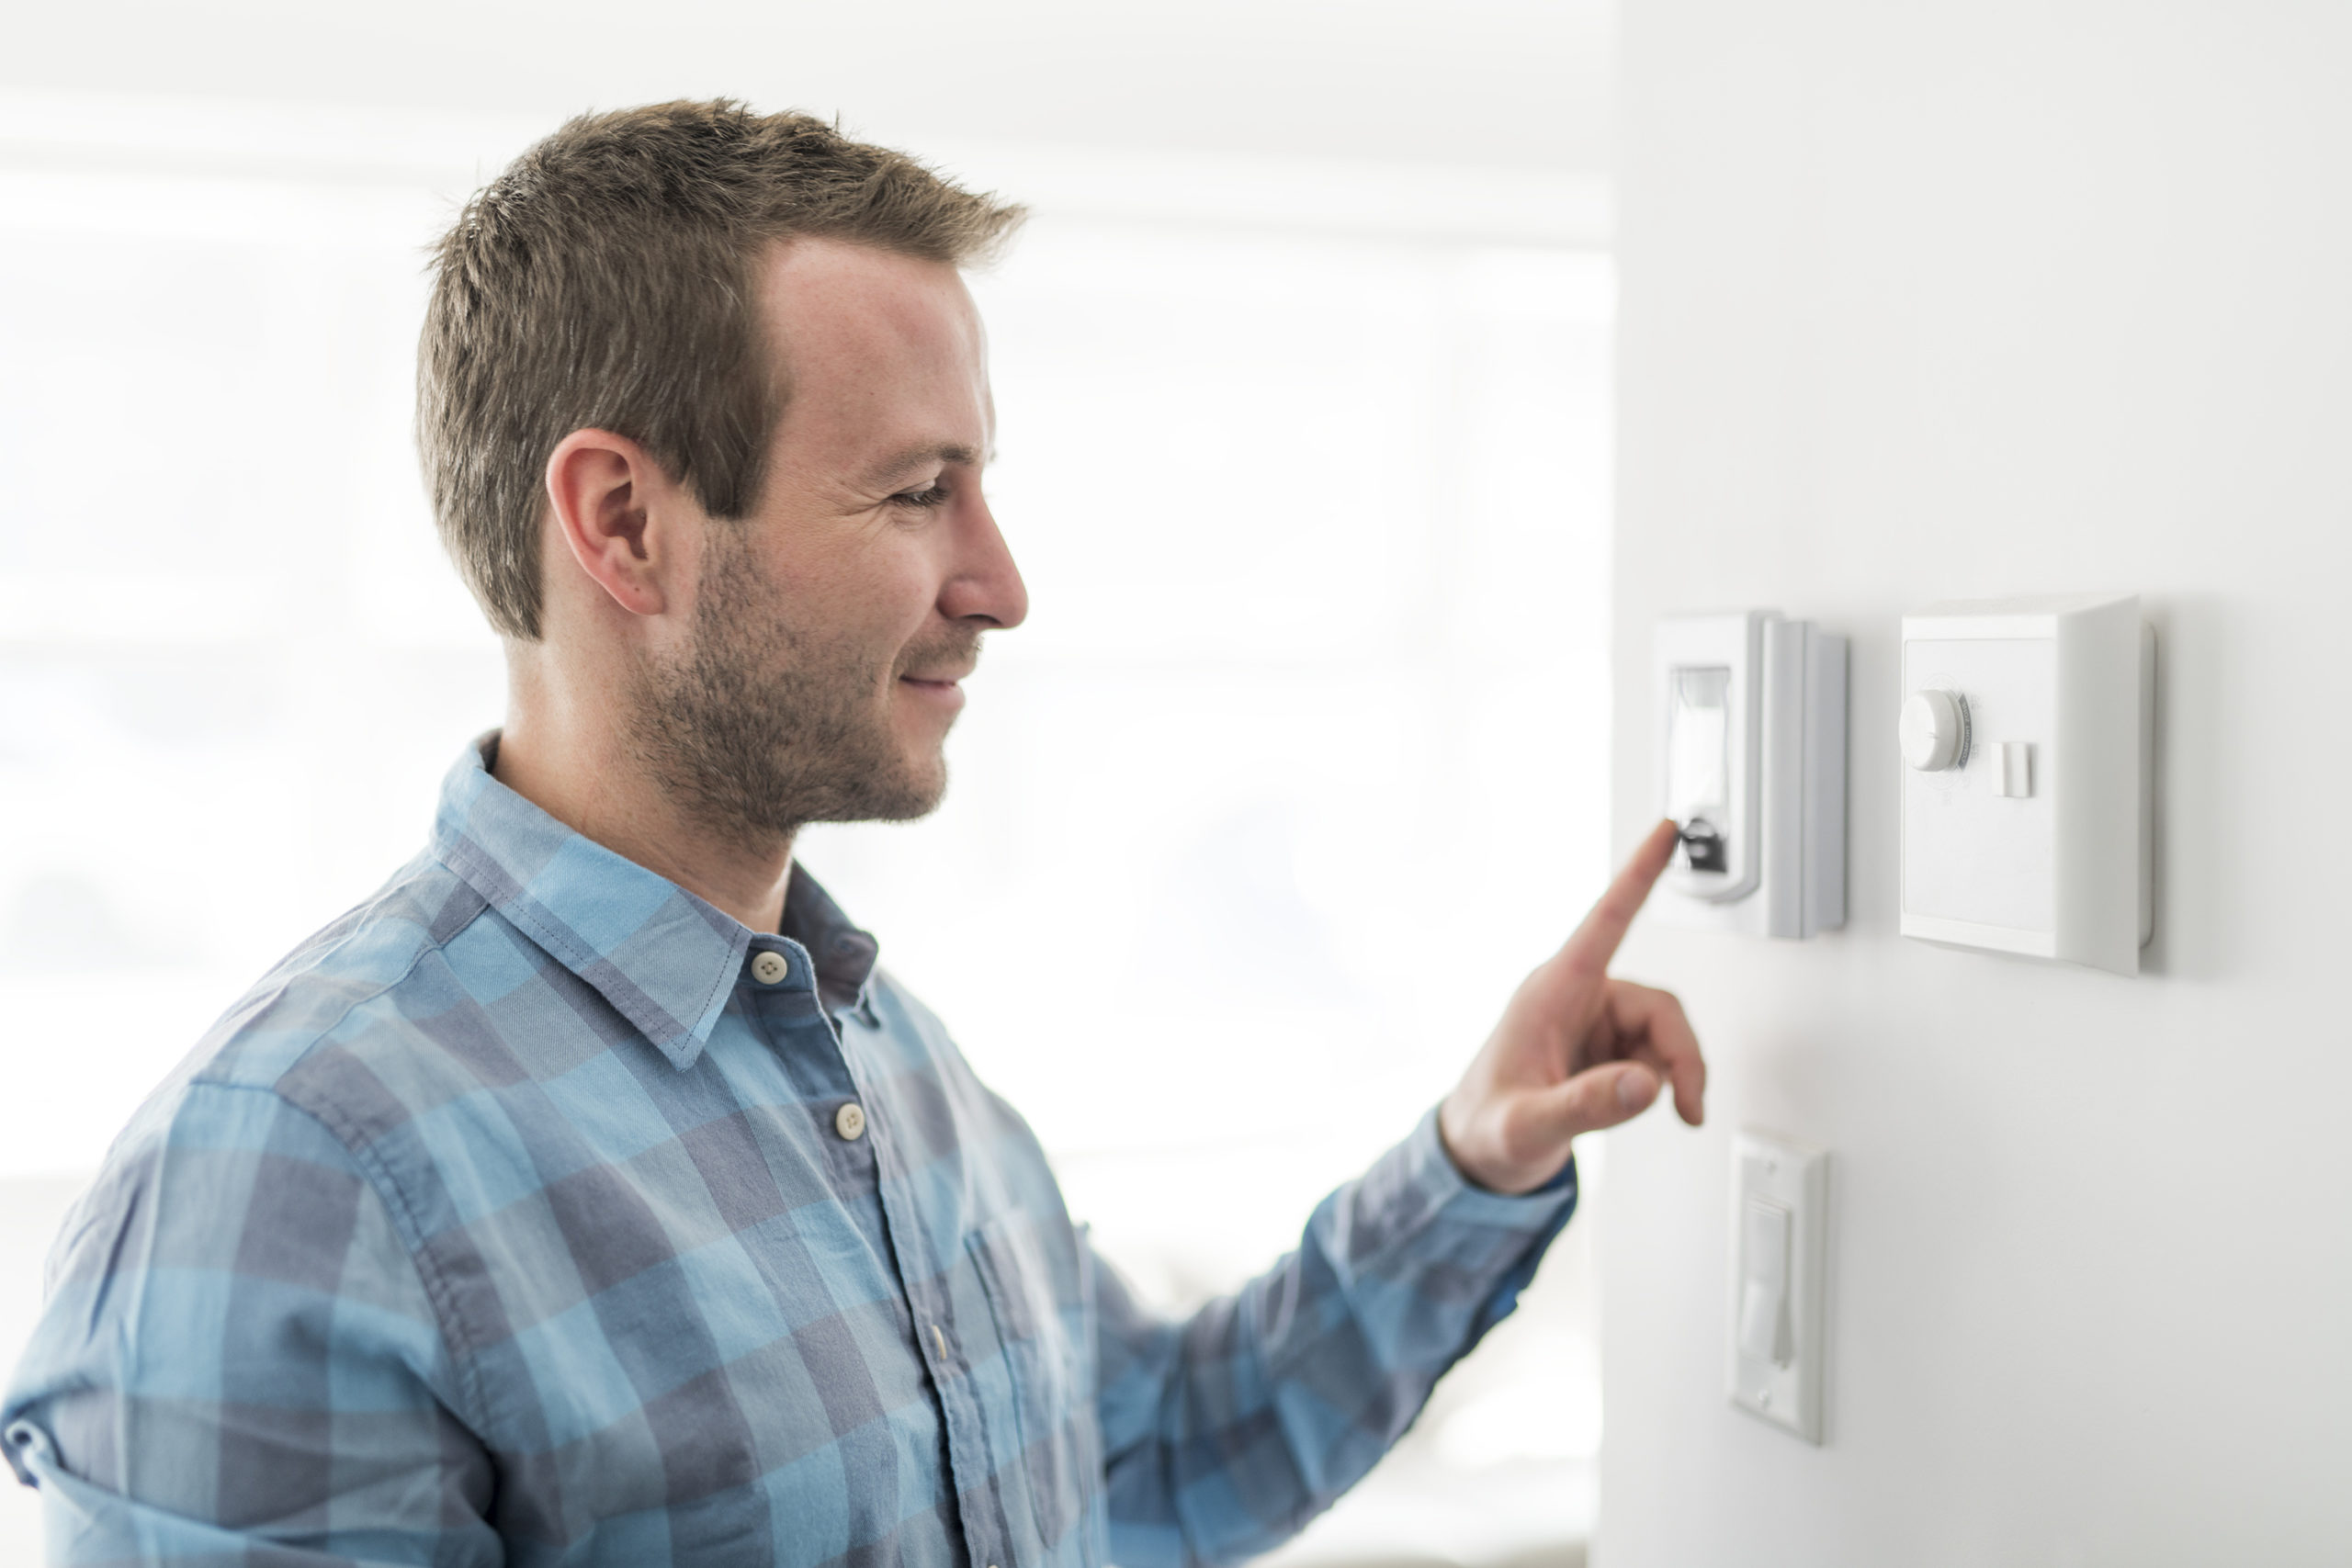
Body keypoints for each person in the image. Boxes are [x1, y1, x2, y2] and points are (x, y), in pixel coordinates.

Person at [2, 101, 1705, 1568]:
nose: (1003, 584)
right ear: (624, 525)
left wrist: (1475, 1159)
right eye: (916, 492)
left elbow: (1135, 1466)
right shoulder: (288, 1187)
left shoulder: (881, 1057)